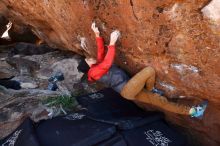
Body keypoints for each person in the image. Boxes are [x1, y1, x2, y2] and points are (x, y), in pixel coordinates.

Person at [77, 22, 208, 119]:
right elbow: (106, 64)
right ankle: (151, 89)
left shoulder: (95, 66)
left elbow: (100, 52)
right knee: (149, 70)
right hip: (126, 90)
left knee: (161, 101)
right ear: (88, 67)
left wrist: (97, 34)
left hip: (131, 89)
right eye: (87, 60)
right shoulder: (93, 73)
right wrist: (112, 43)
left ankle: (194, 112)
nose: (89, 58)